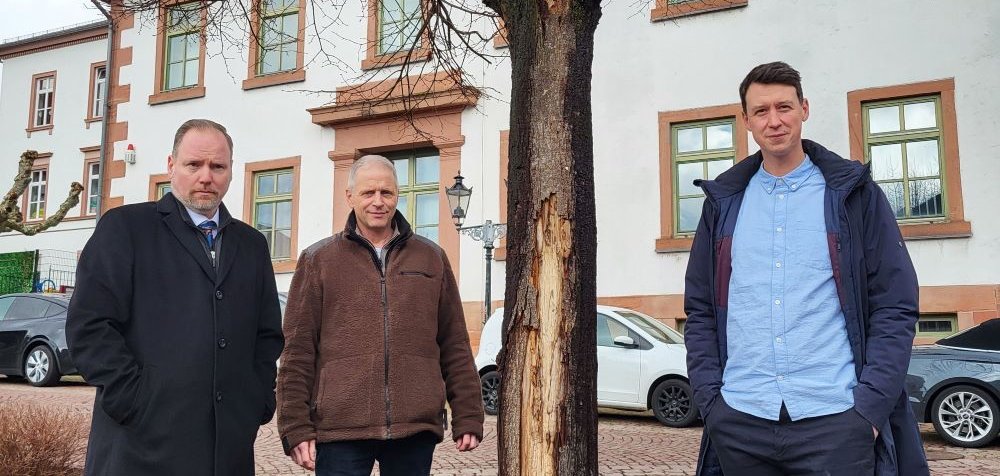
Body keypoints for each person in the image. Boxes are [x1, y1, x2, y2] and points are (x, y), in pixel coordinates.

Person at [684, 62, 929, 476]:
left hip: (835, 420)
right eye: (761, 111)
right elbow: (701, 309)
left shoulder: (853, 195)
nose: (774, 121)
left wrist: (869, 410)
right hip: (741, 419)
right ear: (746, 120)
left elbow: (895, 304)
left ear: (805, 109)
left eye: (784, 107)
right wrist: (711, 402)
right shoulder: (724, 204)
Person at [67, 119, 284, 475]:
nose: (206, 177)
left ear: (231, 170)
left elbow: (267, 334)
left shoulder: (251, 244)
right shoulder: (126, 228)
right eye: (193, 164)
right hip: (141, 446)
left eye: (217, 166)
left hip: (226, 450)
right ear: (171, 165)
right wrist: (133, 399)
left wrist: (257, 399)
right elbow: (90, 326)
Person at [277, 155, 483, 475]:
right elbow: (297, 349)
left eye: (386, 192)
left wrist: (468, 413)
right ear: (350, 197)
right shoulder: (319, 260)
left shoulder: (431, 258)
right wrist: (295, 425)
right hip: (340, 427)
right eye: (368, 192)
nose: (378, 201)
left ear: (397, 195)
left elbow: (454, 341)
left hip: (413, 426)